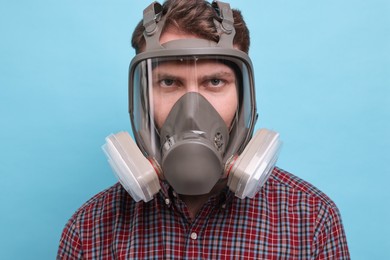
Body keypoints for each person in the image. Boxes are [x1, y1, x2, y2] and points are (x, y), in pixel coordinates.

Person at [57, 0, 350, 259]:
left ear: (245, 98)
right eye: (169, 82)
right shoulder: (89, 229)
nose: (192, 109)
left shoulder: (312, 219)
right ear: (143, 99)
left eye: (215, 82)